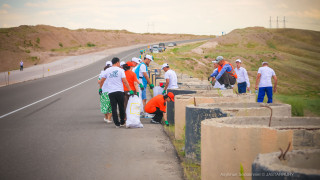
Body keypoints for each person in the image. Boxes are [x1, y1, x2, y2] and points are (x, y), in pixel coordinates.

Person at [100, 57, 134, 128]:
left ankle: (116, 124)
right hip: (119, 91)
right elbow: (125, 81)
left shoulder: (108, 70)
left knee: (114, 107)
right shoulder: (120, 70)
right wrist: (130, 89)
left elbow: (102, 80)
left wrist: (100, 88)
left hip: (111, 92)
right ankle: (122, 122)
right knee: (121, 107)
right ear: (117, 62)